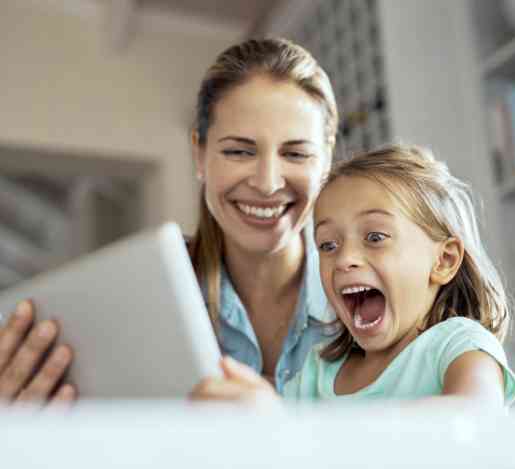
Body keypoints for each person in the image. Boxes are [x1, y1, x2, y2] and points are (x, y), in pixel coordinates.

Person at [0, 37, 339, 402]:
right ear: (199, 154)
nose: (268, 182)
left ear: (326, 159)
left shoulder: (382, 296)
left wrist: (277, 438)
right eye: (239, 151)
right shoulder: (131, 307)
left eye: (296, 153)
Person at [194, 144, 515, 410]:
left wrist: (285, 426)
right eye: (328, 245)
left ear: (444, 260)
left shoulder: (459, 345)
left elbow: (475, 417)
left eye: (375, 237)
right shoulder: (316, 372)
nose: (344, 260)